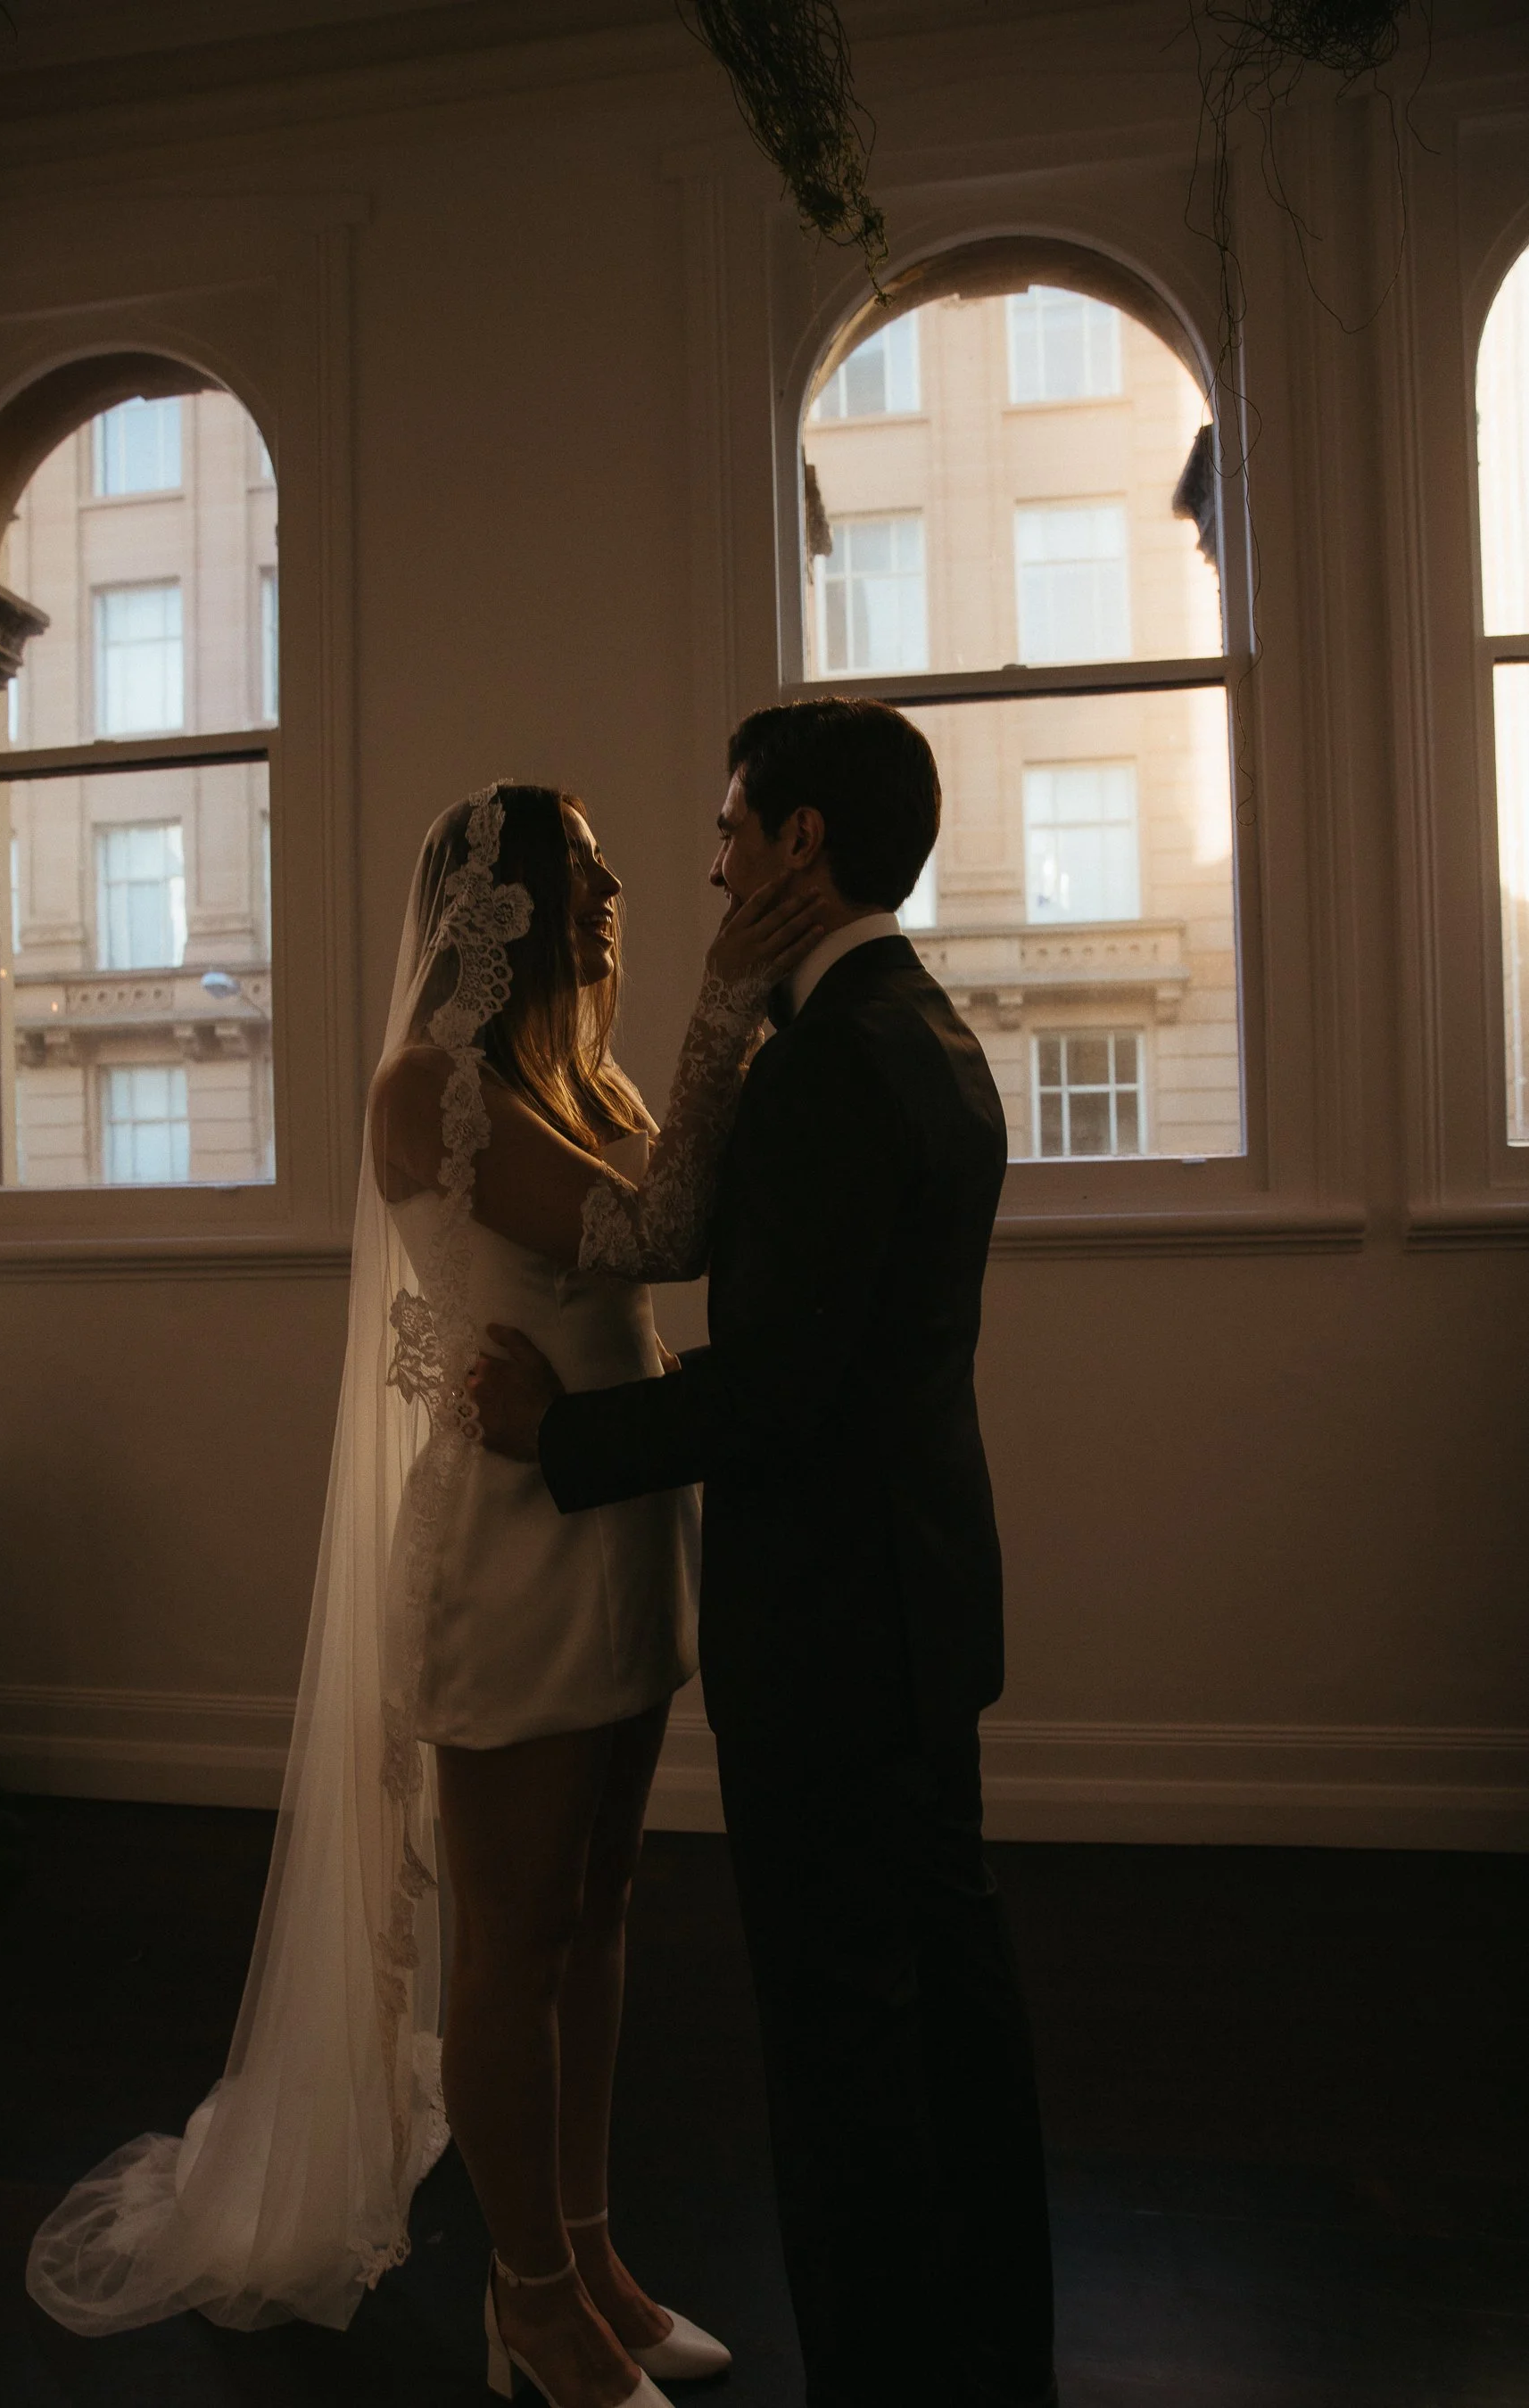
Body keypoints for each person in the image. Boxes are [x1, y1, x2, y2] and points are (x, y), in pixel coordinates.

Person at [27, 781, 822, 2408]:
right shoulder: (422, 1089)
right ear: (503, 899)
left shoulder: (585, 1076)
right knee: (513, 1942)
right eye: (581, 869)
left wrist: (720, 1024)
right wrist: (735, 996)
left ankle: (588, 2255)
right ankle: (527, 2305)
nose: (615, 890)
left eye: (608, 869)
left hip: (618, 1515)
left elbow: (696, 1213)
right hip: (514, 1553)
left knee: (598, 1922)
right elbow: (663, 1236)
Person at [470, 704, 1061, 2408]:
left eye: (732, 823)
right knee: (951, 2005)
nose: (710, 855)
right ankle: (990, 2346)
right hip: (920, 1598)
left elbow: (781, 1392)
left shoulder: (837, 1063)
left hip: (831, 1625)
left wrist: (557, 1437)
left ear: (799, 843)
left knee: (844, 2047)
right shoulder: (917, 1025)